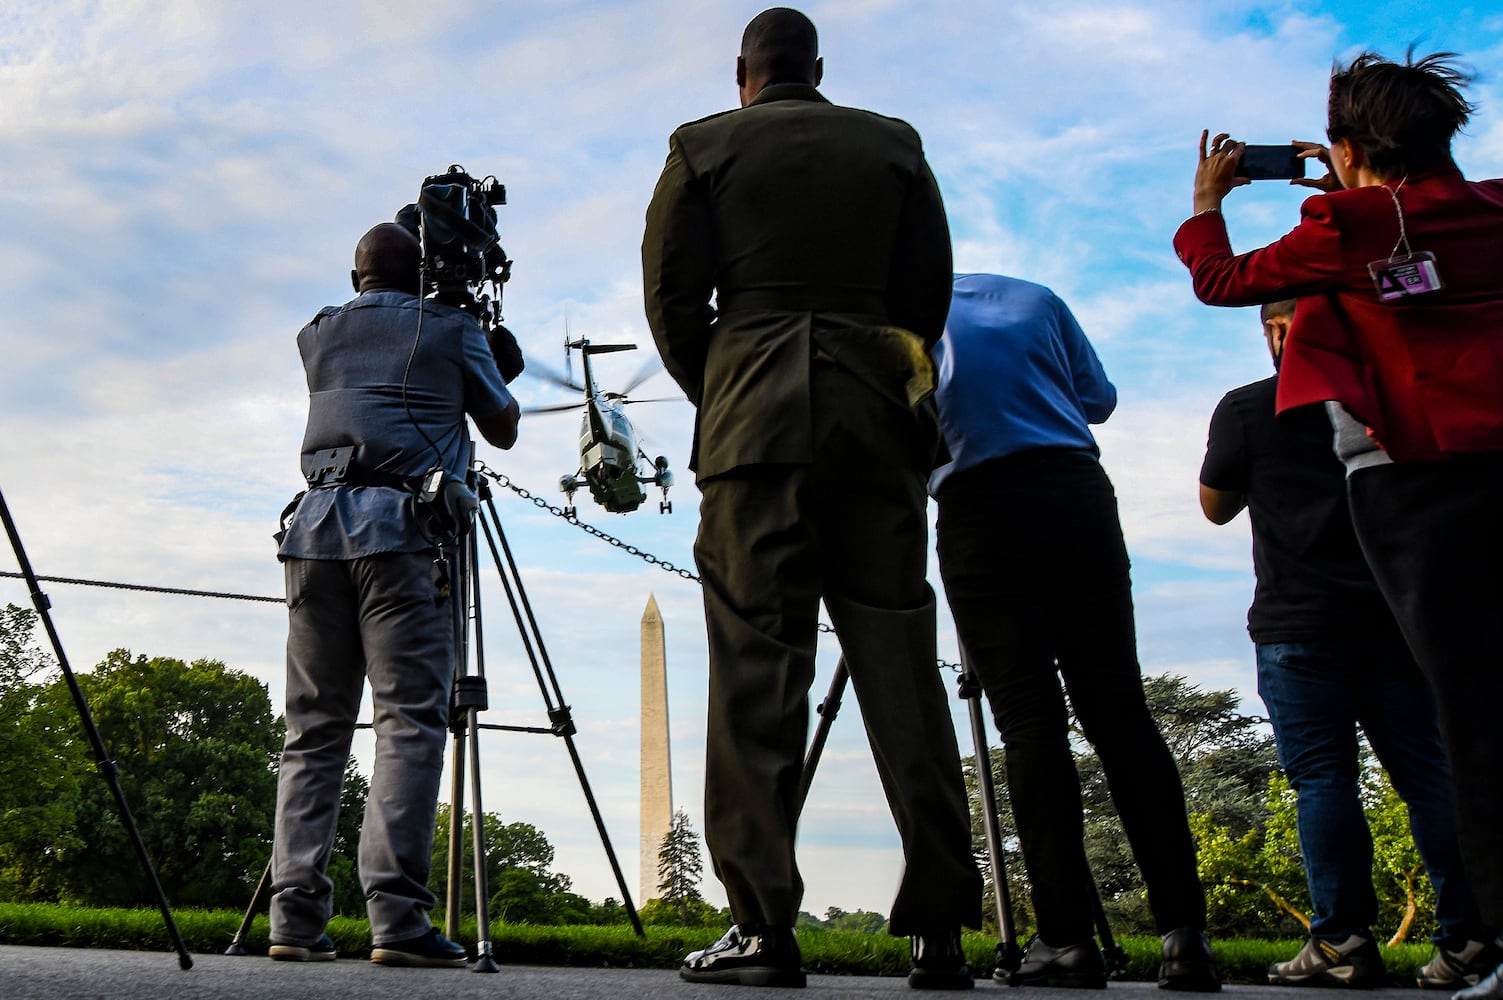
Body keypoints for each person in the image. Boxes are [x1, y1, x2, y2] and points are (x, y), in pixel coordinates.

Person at [641, 7, 981, 990]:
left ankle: (762, 924)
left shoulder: (701, 147)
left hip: (752, 420)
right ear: (818, 70)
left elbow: (671, 297)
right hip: (875, 423)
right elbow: (927, 294)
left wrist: (729, 385)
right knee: (901, 665)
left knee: (756, 668)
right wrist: (881, 377)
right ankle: (942, 926)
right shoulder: (893, 147)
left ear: (741, 73)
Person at [1175, 51, 1503, 1000]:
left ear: (1352, 147)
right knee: (1454, 740)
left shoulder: (1349, 227)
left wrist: (1208, 198)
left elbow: (1220, 276)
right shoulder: (1489, 210)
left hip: (1417, 489)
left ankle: (1470, 940)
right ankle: (1471, 933)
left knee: (1464, 726)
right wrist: (1358, 179)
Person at [931, 272, 1218, 992]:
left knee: (1029, 724)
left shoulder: (894, 313)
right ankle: (1184, 937)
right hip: (1074, 490)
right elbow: (1099, 401)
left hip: (978, 504)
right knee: (1120, 712)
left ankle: (1063, 939)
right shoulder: (1032, 296)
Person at [1200, 299, 1498, 989]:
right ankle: (1469, 938)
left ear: (1278, 330)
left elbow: (1214, 506)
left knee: (1321, 780)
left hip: (1296, 622)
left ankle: (1340, 941)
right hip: (1394, 620)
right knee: (1427, 778)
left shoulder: (1249, 408)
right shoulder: (1386, 402)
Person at [268, 222, 520, 967]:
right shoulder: (447, 328)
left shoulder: (315, 335)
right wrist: (487, 346)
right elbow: (500, 428)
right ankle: (398, 920)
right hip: (405, 536)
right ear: (420, 275)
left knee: (312, 733)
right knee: (409, 722)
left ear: (355, 280)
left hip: (312, 533)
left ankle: (294, 919)